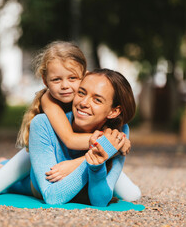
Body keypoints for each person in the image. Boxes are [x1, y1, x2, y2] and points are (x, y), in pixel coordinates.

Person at [0, 41, 140, 202]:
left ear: (83, 76)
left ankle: (5, 164)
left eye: (72, 78)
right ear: (46, 81)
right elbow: (69, 139)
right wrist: (109, 147)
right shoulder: (49, 102)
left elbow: (99, 197)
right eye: (56, 79)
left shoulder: (114, 124)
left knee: (133, 195)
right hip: (43, 149)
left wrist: (90, 158)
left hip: (76, 158)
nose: (65, 86)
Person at [29, 69, 137, 206]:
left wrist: (94, 165)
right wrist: (104, 151)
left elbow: (100, 202)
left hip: (87, 177)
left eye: (97, 100)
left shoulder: (118, 131)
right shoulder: (43, 123)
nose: (84, 103)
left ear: (114, 111)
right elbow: (53, 197)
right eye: (81, 92)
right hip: (30, 179)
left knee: (134, 194)